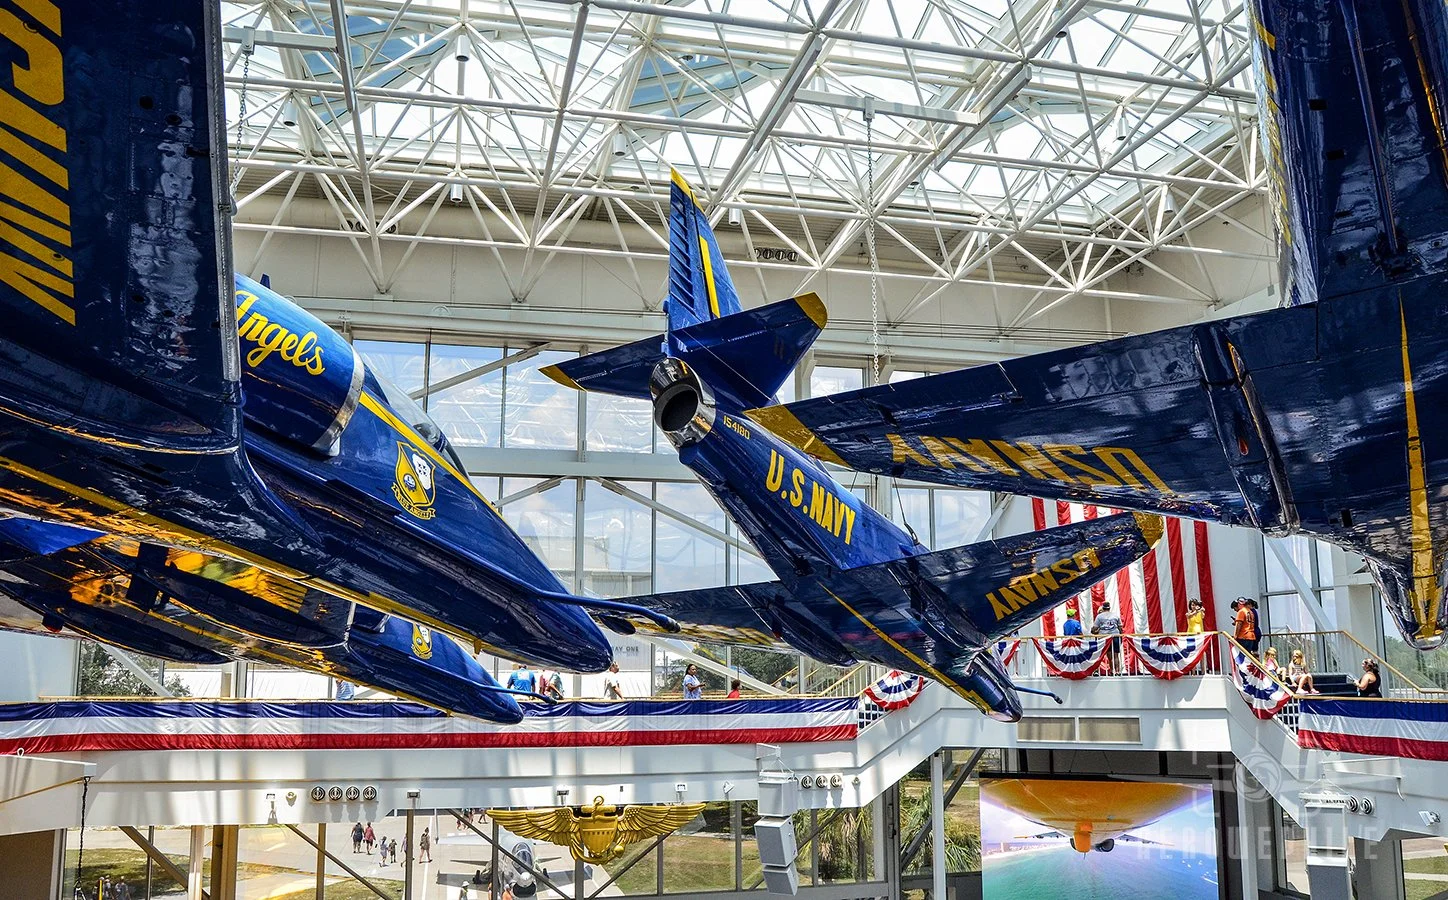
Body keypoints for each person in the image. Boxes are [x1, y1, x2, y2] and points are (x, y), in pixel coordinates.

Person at [1090, 601, 1124, 673]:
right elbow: (1120, 628)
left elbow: (1095, 628)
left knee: (1109, 655)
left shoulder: (1099, 616)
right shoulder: (1115, 615)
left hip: (1105, 637)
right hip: (1115, 635)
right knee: (1116, 655)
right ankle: (1117, 671)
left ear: (1103, 608)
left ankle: (1111, 670)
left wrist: (1093, 631)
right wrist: (1121, 636)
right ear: (1109, 608)